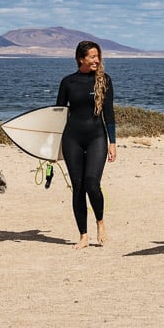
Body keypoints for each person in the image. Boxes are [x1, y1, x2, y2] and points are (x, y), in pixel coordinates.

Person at [55, 40, 117, 249]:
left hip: (96, 137)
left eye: (97, 56)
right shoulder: (68, 82)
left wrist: (113, 142)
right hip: (71, 138)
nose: (96, 60)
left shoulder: (104, 80)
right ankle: (83, 235)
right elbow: (58, 114)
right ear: (81, 58)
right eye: (92, 57)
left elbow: (109, 114)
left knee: (92, 182)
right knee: (78, 187)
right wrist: (50, 147)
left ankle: (100, 221)